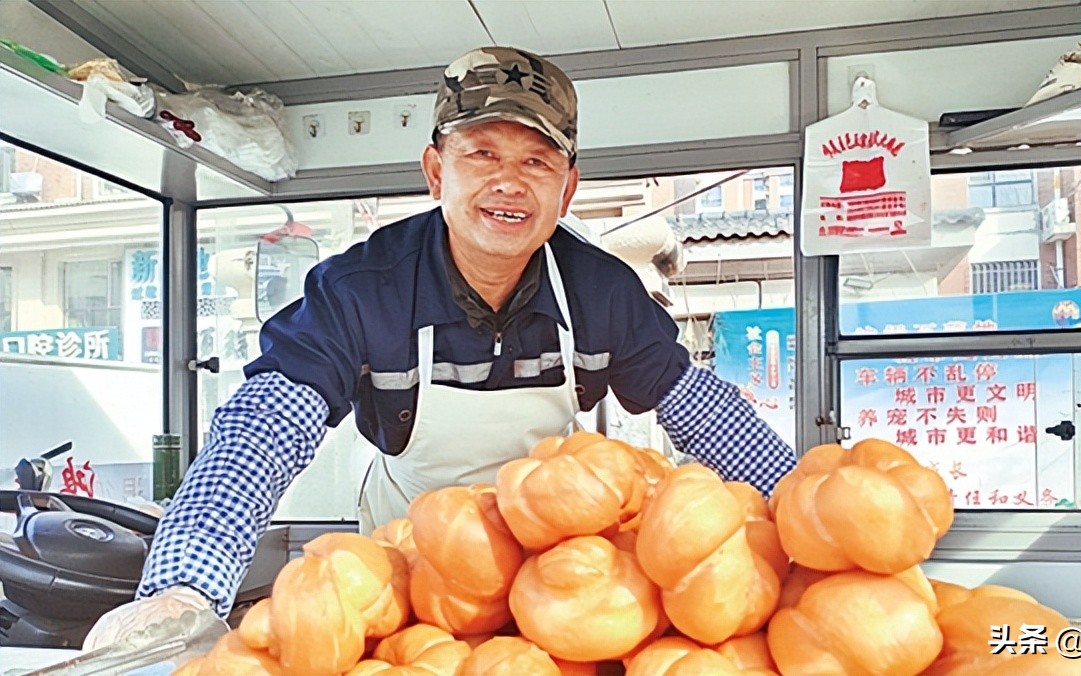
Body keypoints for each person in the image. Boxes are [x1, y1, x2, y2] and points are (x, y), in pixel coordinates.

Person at [84, 46, 798, 646]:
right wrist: (185, 583)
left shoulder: (601, 292)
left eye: (537, 161)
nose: (508, 183)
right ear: (436, 171)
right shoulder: (363, 290)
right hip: (401, 584)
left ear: (568, 188)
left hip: (553, 589)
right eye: (481, 153)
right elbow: (267, 426)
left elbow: (700, 408)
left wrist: (806, 518)